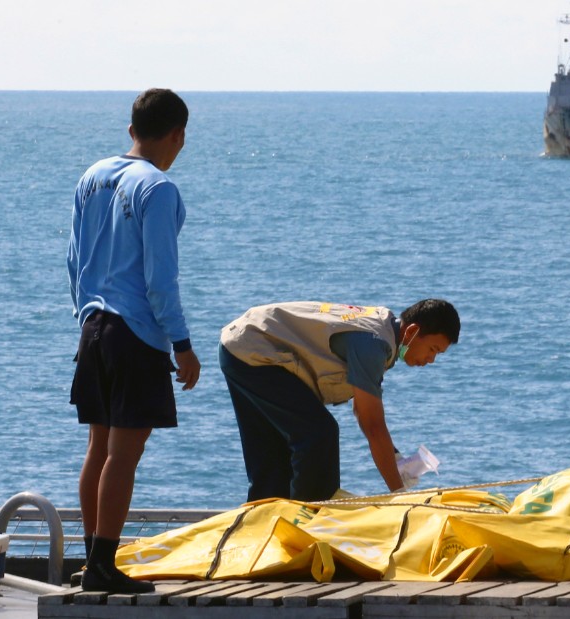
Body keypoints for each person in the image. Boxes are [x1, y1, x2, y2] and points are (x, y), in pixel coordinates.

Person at [67, 88, 201, 593]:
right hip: (134, 333)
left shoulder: (92, 176)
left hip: (93, 326)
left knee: (97, 449)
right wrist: (182, 345)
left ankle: (91, 560)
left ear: (131, 130)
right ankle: (104, 564)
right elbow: (160, 279)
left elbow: (74, 260)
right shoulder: (158, 189)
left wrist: (86, 317)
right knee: (123, 454)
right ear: (177, 134)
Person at [218, 300, 460, 502]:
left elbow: (362, 411)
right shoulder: (373, 346)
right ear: (412, 332)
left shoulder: (384, 333)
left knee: (274, 455)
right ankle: (309, 517)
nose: (431, 360)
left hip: (240, 346)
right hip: (254, 350)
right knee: (318, 434)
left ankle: (265, 523)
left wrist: (395, 458)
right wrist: (400, 495)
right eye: (433, 349)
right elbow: (373, 424)